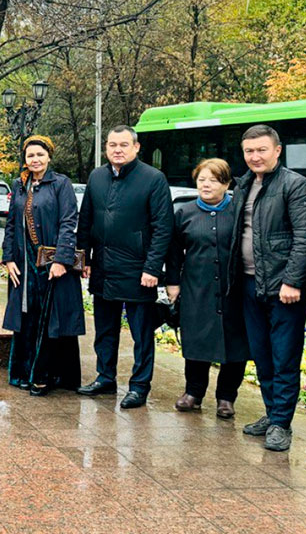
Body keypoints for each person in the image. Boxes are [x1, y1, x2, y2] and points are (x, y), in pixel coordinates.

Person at [232, 124, 306, 452]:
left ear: (278, 151)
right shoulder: (243, 185)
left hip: (284, 288)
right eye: (249, 151)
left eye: (261, 150)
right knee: (262, 354)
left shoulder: (295, 186)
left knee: (284, 356)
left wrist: (293, 281)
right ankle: (272, 413)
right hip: (250, 283)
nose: (255, 157)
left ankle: (282, 423)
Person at [76, 125, 173, 409]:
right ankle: (105, 377)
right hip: (104, 268)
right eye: (112, 145)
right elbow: (86, 221)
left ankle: (139, 386)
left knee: (141, 332)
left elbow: (162, 228)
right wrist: (84, 259)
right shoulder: (97, 176)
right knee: (105, 329)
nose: (117, 150)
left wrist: (153, 268)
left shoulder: (153, 179)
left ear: (136, 147)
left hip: (138, 270)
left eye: (123, 145)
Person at [165, 158, 249, 419]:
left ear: (226, 183)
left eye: (213, 180)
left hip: (233, 286)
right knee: (197, 338)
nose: (206, 185)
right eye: (202, 179)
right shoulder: (184, 213)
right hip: (196, 286)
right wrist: (173, 283)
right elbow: (173, 250)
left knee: (235, 343)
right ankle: (194, 392)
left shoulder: (238, 210)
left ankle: (226, 397)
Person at [0, 136, 82, 395]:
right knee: (28, 316)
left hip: (52, 264)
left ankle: (45, 375)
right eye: (30, 155)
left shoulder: (61, 184)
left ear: (49, 157)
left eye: (40, 155)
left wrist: (61, 260)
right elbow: (12, 224)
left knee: (51, 319)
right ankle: (23, 371)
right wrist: (9, 258)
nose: (35, 159)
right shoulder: (20, 184)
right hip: (25, 263)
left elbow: (69, 222)